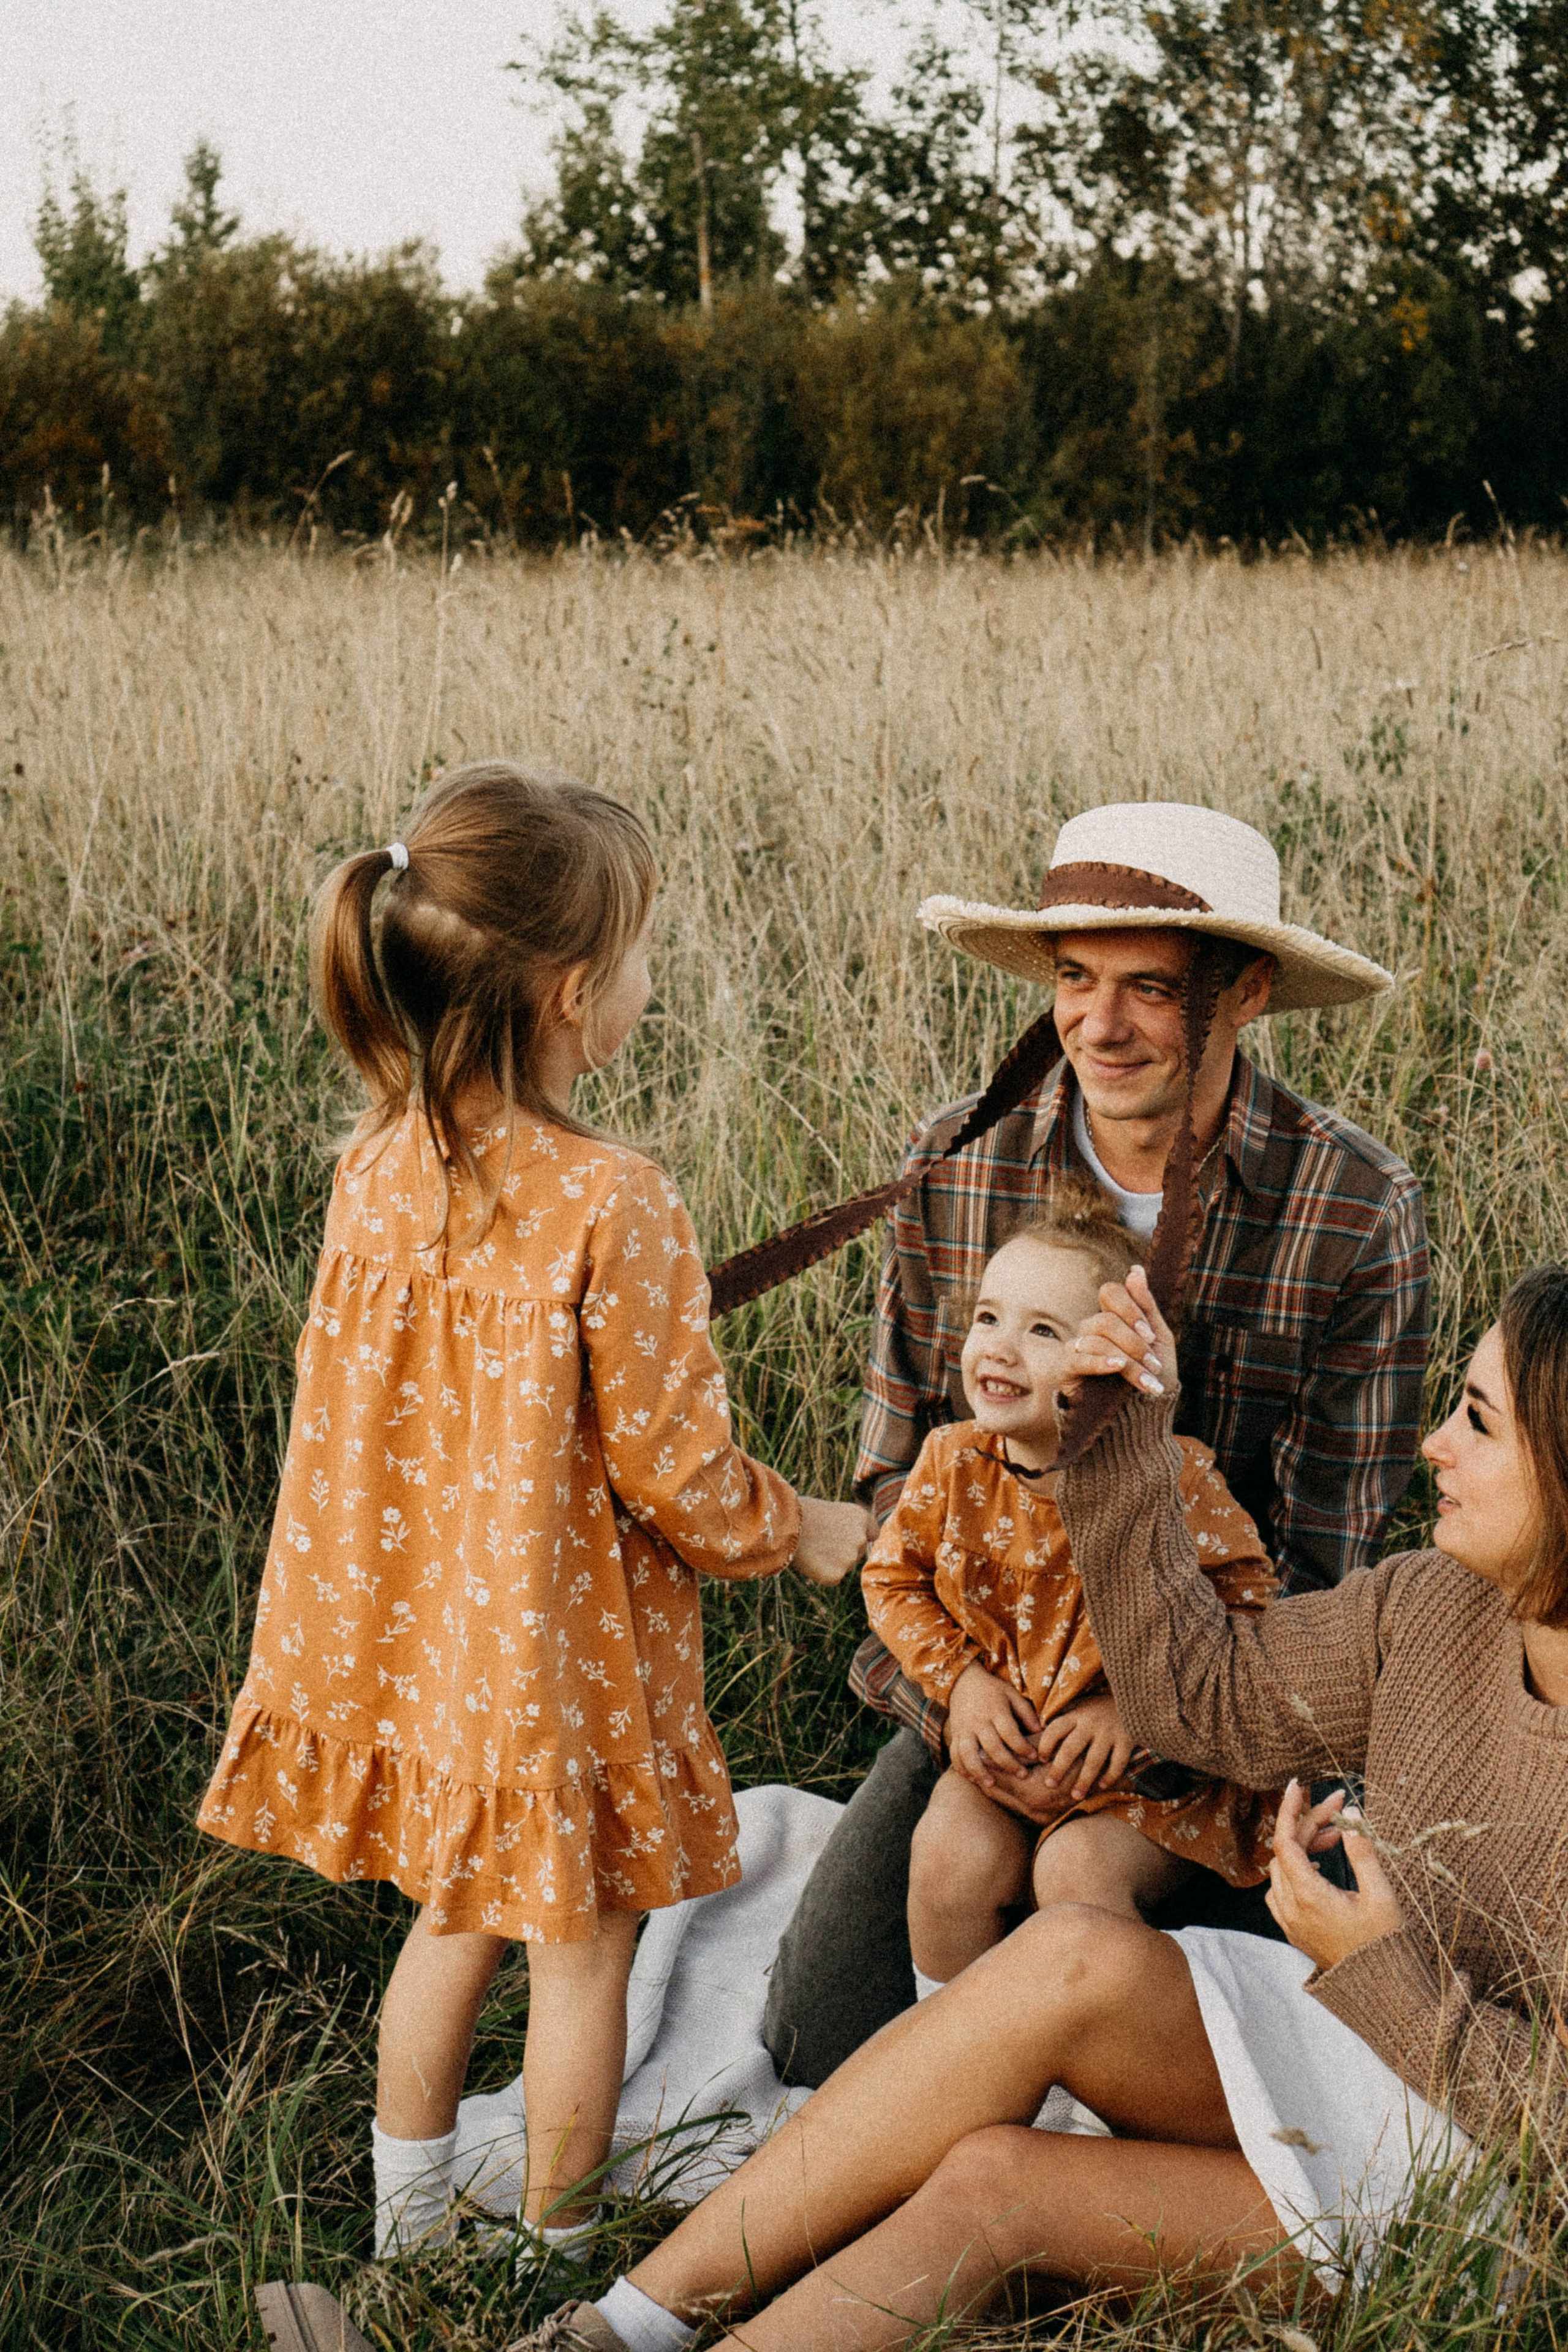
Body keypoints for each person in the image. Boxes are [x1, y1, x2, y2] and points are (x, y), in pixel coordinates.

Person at [450, 1255, 1568, 2352]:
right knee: (1062, 1969)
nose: (1436, 1444)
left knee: (1004, 2178)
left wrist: (1374, 1963)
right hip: (1370, 2047)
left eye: (1477, 1421)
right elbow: (1203, 1698)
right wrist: (1124, 1437)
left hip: (1483, 2196)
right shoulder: (1434, 1605)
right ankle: (606, 2333)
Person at [198, 762, 869, 2262]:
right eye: (636, 956)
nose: (646, 984)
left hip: (424, 1649)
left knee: (449, 1927)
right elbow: (673, 1471)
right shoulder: (613, 1200)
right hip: (558, 1669)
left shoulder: (374, 1169)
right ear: (570, 992)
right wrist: (800, 1524)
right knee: (585, 1960)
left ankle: (410, 2231)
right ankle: (555, 2259)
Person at [766, 799, 1431, 2084]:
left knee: (1189, 1984)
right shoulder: (956, 1166)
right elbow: (898, 1478)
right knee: (815, 2037)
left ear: (1240, 996)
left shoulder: (1353, 1211)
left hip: (1209, 1719)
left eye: (1147, 989)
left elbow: (1321, 1562)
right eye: (1074, 980)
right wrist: (956, 1697)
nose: (1098, 1025)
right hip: (994, 1693)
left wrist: (1153, 1700)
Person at [864, 1183, 1276, 1994]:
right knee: (949, 1860)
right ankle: (957, 2057)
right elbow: (892, 1579)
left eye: (1044, 1331)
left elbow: (1250, 1615)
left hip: (1143, 1779)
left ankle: (1091, 2074)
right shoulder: (953, 1462)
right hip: (1004, 1741)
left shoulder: (1173, 1478)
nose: (999, 1348)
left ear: (1118, 1368)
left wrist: (1138, 1710)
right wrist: (962, 1686)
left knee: (1075, 1877)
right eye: (988, 1317)